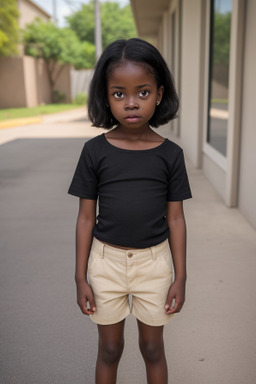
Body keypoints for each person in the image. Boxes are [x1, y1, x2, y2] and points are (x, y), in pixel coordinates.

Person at [68, 38, 192, 384]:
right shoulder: (94, 152)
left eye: (143, 92)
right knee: (109, 349)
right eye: (119, 94)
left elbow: (176, 219)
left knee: (153, 349)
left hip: (155, 264)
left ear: (160, 93)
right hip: (105, 262)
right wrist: (81, 277)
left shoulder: (171, 155)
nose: (131, 103)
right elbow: (84, 218)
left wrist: (180, 276)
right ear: (105, 97)